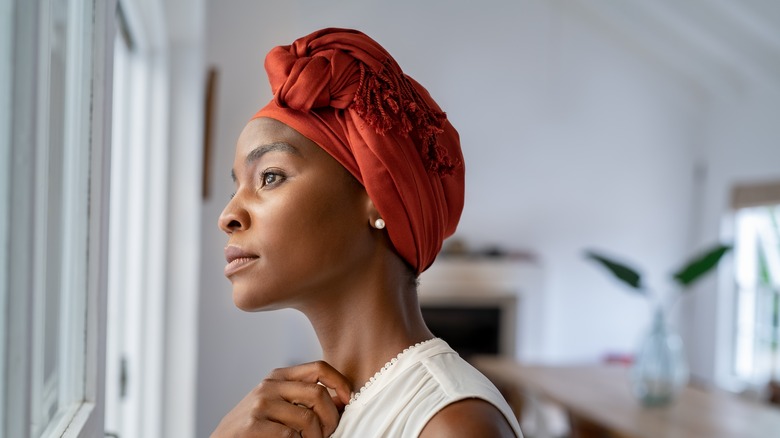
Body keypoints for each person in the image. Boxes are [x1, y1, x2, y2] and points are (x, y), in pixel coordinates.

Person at [213, 28, 523, 437]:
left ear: (378, 196)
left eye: (269, 176)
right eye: (235, 187)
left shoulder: (449, 424)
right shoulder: (307, 415)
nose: (228, 215)